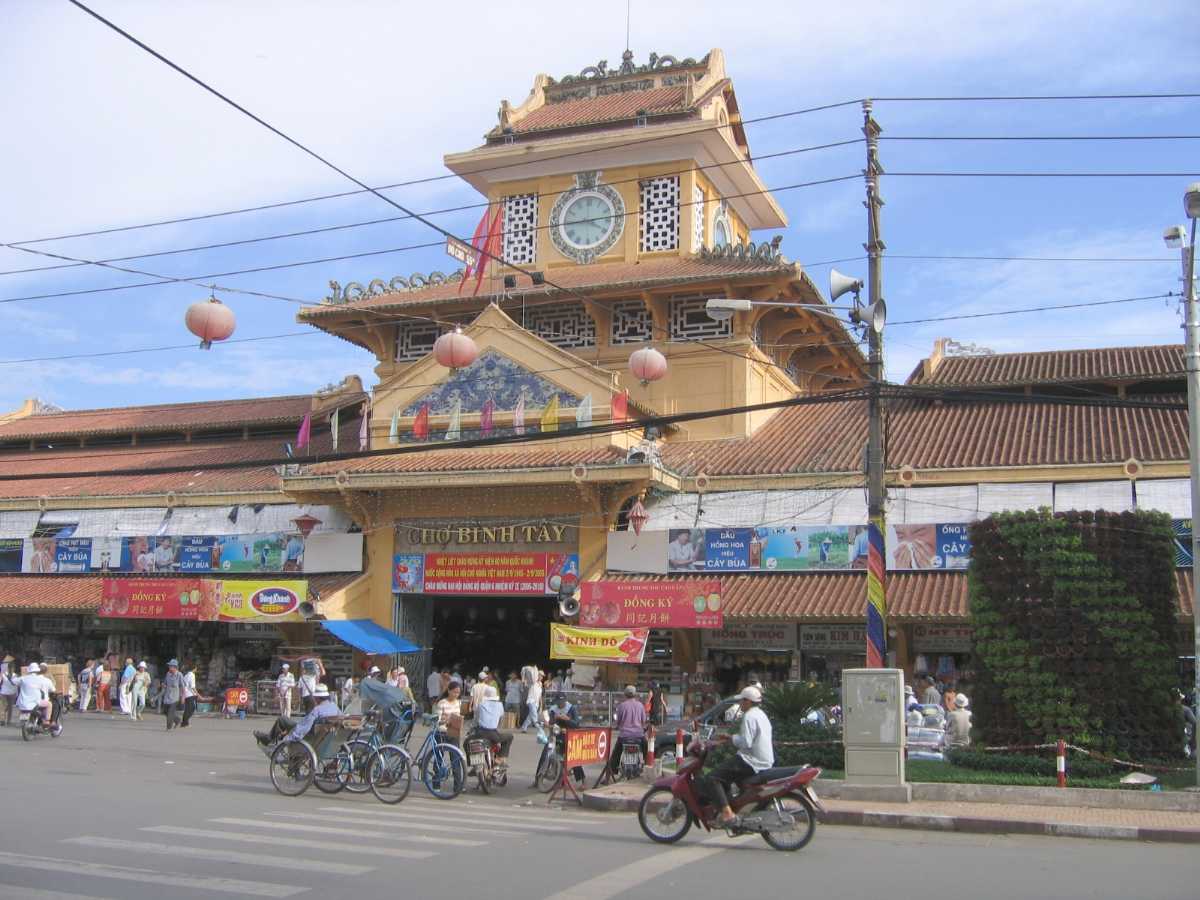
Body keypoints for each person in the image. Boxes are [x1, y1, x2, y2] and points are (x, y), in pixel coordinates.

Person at [705, 685, 774, 828]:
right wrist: (730, 737)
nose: (740, 704)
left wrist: (731, 739)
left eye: (742, 701)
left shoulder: (749, 716)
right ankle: (731, 808)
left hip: (752, 761)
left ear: (748, 701)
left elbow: (746, 742)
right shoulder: (761, 714)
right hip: (763, 759)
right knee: (726, 776)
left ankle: (728, 814)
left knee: (713, 778)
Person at [256, 682, 340, 746]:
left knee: (282, 719)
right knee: (291, 723)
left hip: (311, 734)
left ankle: (269, 739)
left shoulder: (317, 710)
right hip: (324, 734)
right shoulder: (334, 707)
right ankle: (276, 736)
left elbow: (304, 727)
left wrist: (289, 737)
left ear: (317, 698)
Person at [544, 693, 586, 787]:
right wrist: (551, 721)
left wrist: (567, 719)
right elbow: (549, 723)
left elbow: (577, 725)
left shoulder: (571, 708)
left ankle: (583, 781)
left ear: (565, 701)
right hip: (556, 736)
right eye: (559, 702)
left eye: (562, 702)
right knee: (546, 752)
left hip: (569, 736)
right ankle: (539, 777)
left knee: (574, 757)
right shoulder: (553, 709)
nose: (560, 704)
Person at [468, 685, 512, 766]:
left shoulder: (481, 704)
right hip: (493, 734)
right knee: (510, 737)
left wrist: (471, 729)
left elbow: (475, 720)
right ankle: (500, 758)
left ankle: (473, 764)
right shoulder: (500, 705)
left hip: (480, 733)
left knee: (467, 743)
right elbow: (501, 720)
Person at [610, 685, 649, 775]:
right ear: (635, 694)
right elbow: (643, 721)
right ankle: (647, 767)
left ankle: (613, 772)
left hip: (624, 737)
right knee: (647, 751)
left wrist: (618, 726)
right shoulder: (640, 706)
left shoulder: (622, 706)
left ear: (625, 694)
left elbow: (618, 722)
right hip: (638, 736)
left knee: (616, 754)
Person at [13, 662, 56, 728]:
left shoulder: (23, 678)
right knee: (49, 704)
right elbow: (52, 689)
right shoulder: (43, 679)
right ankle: (47, 721)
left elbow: (13, 681)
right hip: (36, 703)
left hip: (22, 704)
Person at [434, 682, 464, 746]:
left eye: (458, 693)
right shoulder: (442, 703)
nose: (456, 694)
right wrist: (447, 720)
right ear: (449, 691)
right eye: (454, 692)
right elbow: (437, 720)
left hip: (454, 732)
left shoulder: (459, 703)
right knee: (439, 754)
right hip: (442, 732)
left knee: (456, 754)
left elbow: (458, 717)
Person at [161, 659, 184, 731]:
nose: (169, 667)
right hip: (167, 697)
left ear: (175, 667)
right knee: (165, 711)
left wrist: (183, 697)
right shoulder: (168, 674)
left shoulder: (179, 675)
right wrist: (163, 685)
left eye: (171, 666)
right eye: (169, 666)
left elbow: (183, 687)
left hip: (175, 698)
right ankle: (177, 720)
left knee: (170, 713)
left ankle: (169, 727)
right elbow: (165, 683)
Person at [1, 656, 20, 726]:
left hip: (8, 693)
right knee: (7, 707)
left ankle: (5, 720)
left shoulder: (14, 675)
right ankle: (4, 720)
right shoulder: (15, 676)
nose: (11, 669)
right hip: (7, 693)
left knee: (6, 707)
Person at [180, 661, 199, 727]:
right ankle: (184, 722)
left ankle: (185, 722)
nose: (196, 670)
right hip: (190, 694)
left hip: (185, 694)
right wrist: (198, 695)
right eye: (196, 668)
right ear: (195, 668)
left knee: (187, 709)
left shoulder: (186, 675)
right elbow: (192, 686)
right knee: (192, 708)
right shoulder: (192, 675)